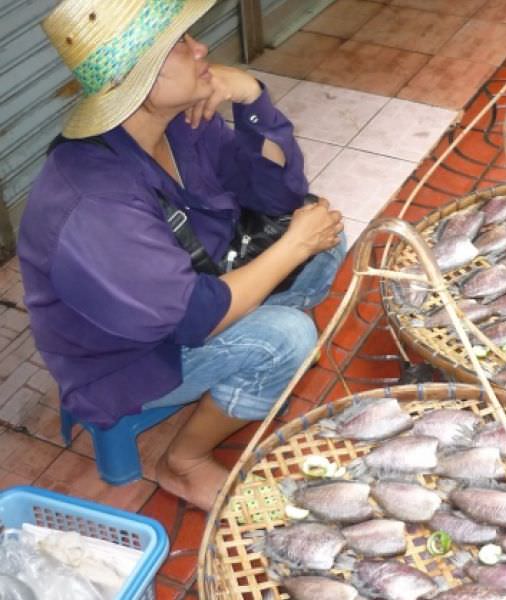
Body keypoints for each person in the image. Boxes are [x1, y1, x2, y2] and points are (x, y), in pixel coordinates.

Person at [17, 0, 345, 511]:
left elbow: (278, 196)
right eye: (180, 46)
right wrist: (292, 246)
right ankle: (184, 462)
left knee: (322, 236)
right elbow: (195, 318)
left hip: (195, 284)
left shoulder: (179, 123)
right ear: (135, 82)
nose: (201, 49)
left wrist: (252, 98)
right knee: (288, 334)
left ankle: (251, 354)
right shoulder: (94, 199)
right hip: (129, 357)